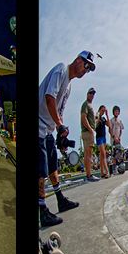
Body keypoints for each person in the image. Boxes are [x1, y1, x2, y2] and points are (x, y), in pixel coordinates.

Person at [39, 51, 95, 226]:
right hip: (38, 124)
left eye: (89, 69)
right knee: (40, 171)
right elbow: (50, 98)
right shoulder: (61, 70)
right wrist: (59, 124)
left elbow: (60, 111)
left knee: (53, 167)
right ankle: (42, 211)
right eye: (86, 65)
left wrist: (60, 132)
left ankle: (60, 199)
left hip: (48, 129)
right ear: (78, 60)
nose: (86, 70)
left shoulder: (69, 86)